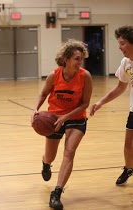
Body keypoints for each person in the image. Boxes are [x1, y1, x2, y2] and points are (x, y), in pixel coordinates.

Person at [31, 39, 92, 210]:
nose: (80, 62)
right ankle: (45, 163)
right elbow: (43, 94)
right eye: (76, 59)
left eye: (81, 58)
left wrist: (67, 117)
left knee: (69, 152)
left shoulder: (85, 76)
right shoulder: (54, 75)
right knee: (50, 156)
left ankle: (57, 192)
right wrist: (35, 109)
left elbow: (85, 103)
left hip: (76, 118)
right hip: (54, 119)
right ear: (66, 59)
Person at [90, 26, 133, 186]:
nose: (119, 47)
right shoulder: (126, 63)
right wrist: (101, 102)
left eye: (122, 43)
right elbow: (121, 87)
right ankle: (129, 169)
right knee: (128, 146)